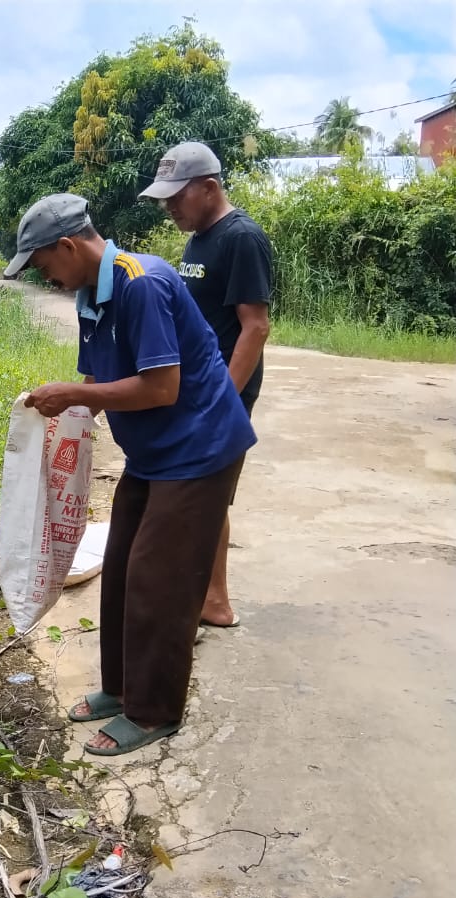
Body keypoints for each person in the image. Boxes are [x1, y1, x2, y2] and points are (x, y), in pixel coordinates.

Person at [2, 194, 255, 756]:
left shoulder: (141, 283)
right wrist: (66, 411)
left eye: (45, 265)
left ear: (68, 246)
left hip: (199, 449)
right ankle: (120, 689)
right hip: (154, 455)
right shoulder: (91, 294)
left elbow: (161, 386)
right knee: (119, 568)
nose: (49, 277)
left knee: (158, 580)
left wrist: (76, 394)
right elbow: (97, 377)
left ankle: (154, 711)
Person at [139, 141, 274, 630]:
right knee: (204, 495)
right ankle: (210, 597)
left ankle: (213, 599)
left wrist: (224, 398)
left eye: (178, 196)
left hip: (222, 394)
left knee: (206, 494)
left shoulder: (241, 238)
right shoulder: (198, 239)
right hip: (199, 390)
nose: (170, 206)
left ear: (209, 187)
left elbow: (254, 326)